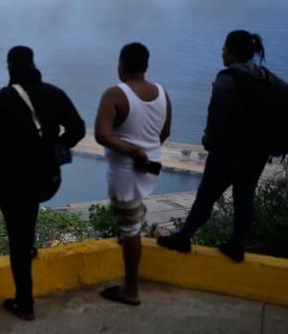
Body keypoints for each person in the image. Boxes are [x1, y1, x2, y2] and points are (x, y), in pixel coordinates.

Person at [0, 46, 85, 320]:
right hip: (47, 178)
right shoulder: (55, 94)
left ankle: (24, 303)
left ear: (10, 66)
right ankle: (29, 245)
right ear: (33, 64)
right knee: (29, 210)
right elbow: (78, 129)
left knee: (17, 239)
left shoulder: (2, 99)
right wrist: (56, 147)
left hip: (12, 179)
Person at [158, 30, 269, 262]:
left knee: (206, 196)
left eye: (224, 50)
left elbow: (216, 114)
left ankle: (184, 237)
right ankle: (237, 244)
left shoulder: (228, 77)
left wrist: (209, 141)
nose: (222, 54)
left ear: (232, 52)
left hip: (229, 150)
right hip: (257, 152)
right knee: (245, 197)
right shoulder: (264, 77)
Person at [94, 43, 172, 306]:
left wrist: (133, 150)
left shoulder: (115, 94)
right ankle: (129, 253)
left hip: (126, 172)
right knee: (130, 218)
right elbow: (164, 133)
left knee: (130, 228)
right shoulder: (162, 93)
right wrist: (146, 149)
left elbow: (102, 135)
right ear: (146, 66)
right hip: (151, 167)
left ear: (121, 65)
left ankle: (130, 290)